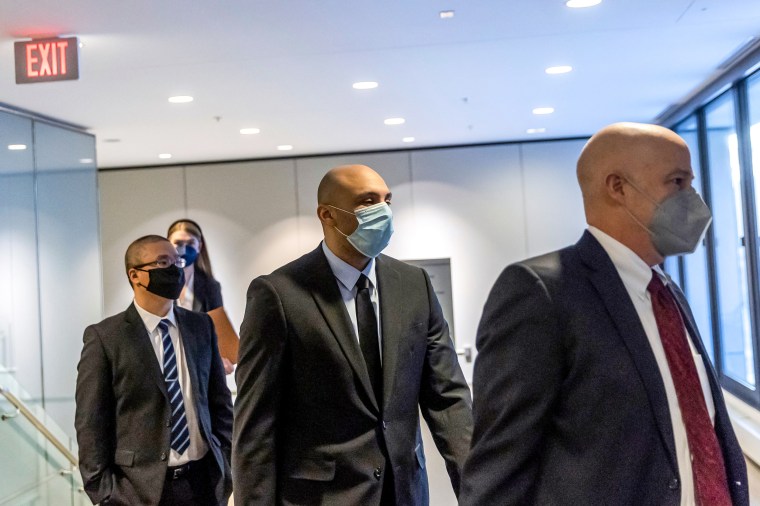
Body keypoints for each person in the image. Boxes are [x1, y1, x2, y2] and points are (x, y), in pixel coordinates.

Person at [460, 122, 748, 506]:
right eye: (677, 182)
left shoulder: (667, 292)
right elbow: (499, 469)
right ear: (618, 187)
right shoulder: (541, 291)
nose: (693, 197)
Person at [233, 164, 473, 505]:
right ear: (328, 215)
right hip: (321, 496)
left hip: (404, 491)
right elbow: (256, 425)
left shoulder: (414, 285)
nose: (383, 211)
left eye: (387, 200)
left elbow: (448, 398)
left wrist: (480, 487)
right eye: (367, 201)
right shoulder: (279, 295)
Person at [75, 235, 233, 506]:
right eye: (163, 262)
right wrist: (105, 494)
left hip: (204, 484)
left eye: (177, 261)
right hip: (138, 492)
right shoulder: (105, 338)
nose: (175, 269)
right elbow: (91, 423)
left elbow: (220, 403)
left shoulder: (201, 327)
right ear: (135, 275)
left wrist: (226, 462)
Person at [167, 218, 239, 374]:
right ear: (168, 245)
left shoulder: (210, 286)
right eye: (178, 243)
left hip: (200, 363)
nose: (184, 249)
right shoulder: (160, 283)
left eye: (190, 243)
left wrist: (222, 358)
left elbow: (217, 326)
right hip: (168, 362)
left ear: (199, 246)